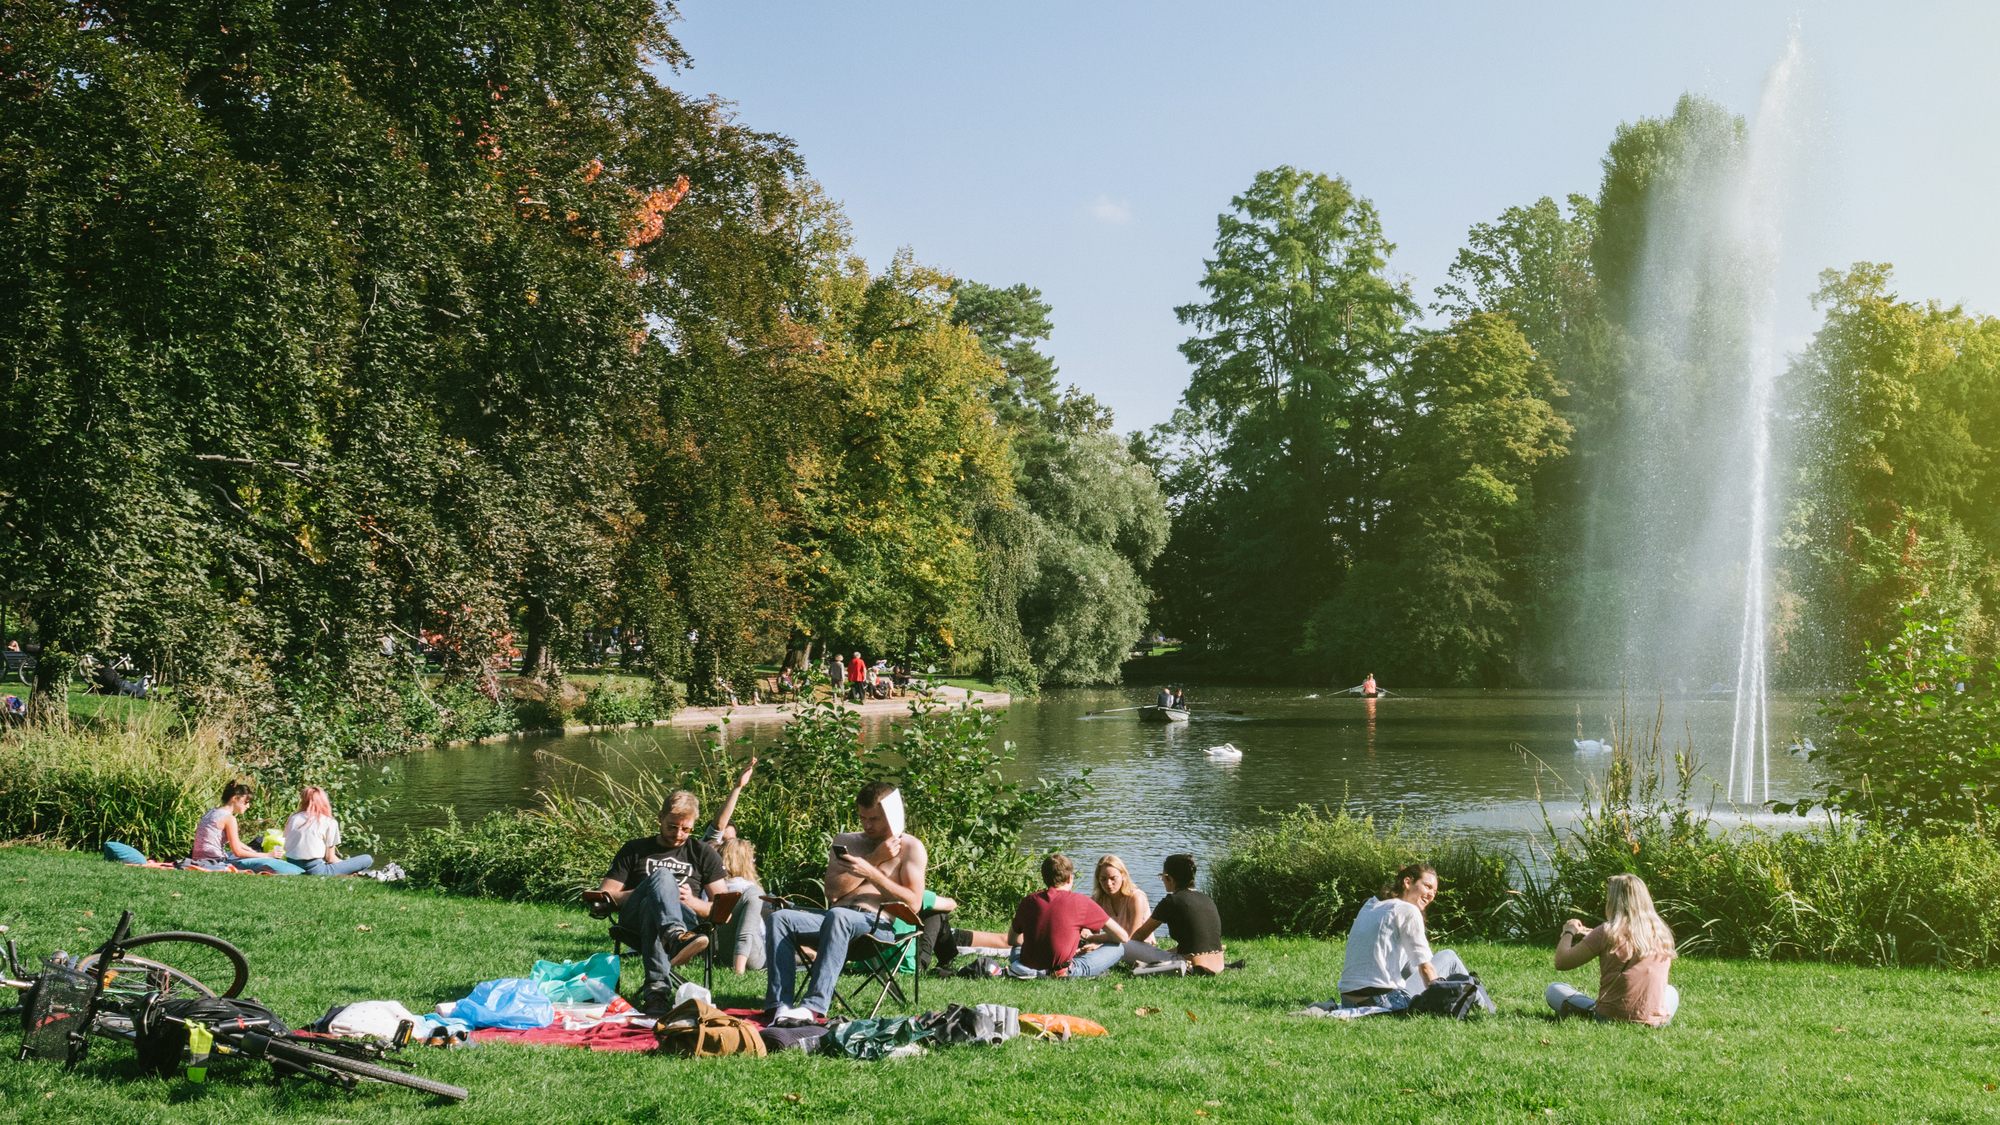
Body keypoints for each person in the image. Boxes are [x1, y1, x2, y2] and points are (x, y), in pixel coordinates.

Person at [765, 781, 929, 1022]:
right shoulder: (847, 842)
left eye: (874, 819)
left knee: (838, 916)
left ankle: (813, 1007)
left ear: (891, 815)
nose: (867, 825)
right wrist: (873, 860)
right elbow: (832, 894)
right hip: (834, 919)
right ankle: (779, 1006)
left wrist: (872, 875)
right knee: (780, 918)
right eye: (863, 818)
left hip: (875, 926)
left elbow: (913, 904)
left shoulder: (911, 848)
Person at [597, 790, 730, 1012]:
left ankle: (656, 994)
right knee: (660, 878)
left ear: (694, 825)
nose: (678, 834)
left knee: (653, 907)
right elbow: (605, 896)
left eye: (685, 829)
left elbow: (724, 910)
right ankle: (674, 936)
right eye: (672, 826)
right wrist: (650, 889)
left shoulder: (703, 853)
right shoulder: (634, 849)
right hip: (634, 921)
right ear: (660, 817)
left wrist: (693, 901)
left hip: (686, 920)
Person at [1336, 862, 1487, 1011]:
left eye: (1434, 891)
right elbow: (1426, 969)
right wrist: (1438, 997)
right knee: (1450, 957)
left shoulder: (1371, 904)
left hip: (1349, 1000)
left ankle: (1479, 1003)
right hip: (1382, 1002)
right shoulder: (1408, 910)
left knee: (1409, 959)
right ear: (1407, 882)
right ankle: (1484, 1006)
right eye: (1427, 886)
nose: (1431, 895)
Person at [1547, 874, 1680, 1026]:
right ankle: (1653, 1016)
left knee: (1553, 989)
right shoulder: (1662, 933)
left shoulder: (1606, 932)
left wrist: (1568, 931)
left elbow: (1562, 962)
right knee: (1671, 992)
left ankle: (1603, 1013)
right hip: (1656, 1022)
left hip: (1609, 1017)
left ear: (1615, 901)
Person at [1005, 854, 1130, 979]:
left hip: (1026, 965)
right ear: (1070, 878)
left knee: (1017, 948)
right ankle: (1063, 972)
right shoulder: (1081, 901)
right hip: (1061, 971)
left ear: (1044, 878)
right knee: (1118, 948)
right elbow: (1123, 937)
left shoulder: (1028, 900)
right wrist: (1095, 939)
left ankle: (1027, 969)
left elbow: (1012, 941)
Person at [1123, 854, 1234, 974]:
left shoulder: (1171, 901)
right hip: (1218, 965)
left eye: (1162, 876)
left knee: (1126, 946)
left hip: (1191, 965)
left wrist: (1136, 949)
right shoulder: (1206, 899)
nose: (1163, 881)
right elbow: (1196, 944)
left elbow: (1139, 936)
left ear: (1170, 878)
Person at [190, 781, 303, 874]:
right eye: (246, 802)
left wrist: (249, 849)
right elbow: (238, 852)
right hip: (214, 861)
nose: (248, 806)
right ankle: (302, 871)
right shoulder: (229, 818)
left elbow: (234, 842)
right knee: (274, 863)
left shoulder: (212, 812)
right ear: (234, 799)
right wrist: (266, 855)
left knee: (252, 854)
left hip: (199, 859)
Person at [283, 786, 374, 876]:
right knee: (367, 859)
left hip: (292, 865)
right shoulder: (328, 822)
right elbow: (331, 858)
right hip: (315, 869)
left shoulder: (293, 818)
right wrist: (345, 865)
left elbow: (286, 845)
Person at [717, 838, 767, 974]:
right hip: (751, 959)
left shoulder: (712, 889)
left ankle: (810, 955)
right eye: (752, 861)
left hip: (720, 956)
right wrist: (738, 972)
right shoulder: (750, 892)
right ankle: (813, 955)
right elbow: (745, 934)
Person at [1091, 855, 1152, 941]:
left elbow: (1132, 937)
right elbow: (1091, 931)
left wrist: (1095, 940)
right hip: (1114, 945)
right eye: (1103, 879)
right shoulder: (1097, 899)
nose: (1108, 883)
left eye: (1113, 878)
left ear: (1123, 876)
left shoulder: (1136, 898)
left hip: (1139, 947)